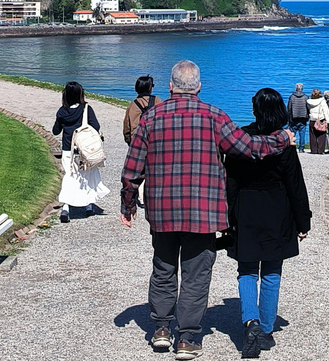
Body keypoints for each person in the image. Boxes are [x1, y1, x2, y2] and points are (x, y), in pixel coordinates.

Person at [120, 60, 295, 361]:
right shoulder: (214, 117)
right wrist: (282, 138)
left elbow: (132, 167)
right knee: (196, 274)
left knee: (163, 269)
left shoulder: (151, 119)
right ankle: (187, 338)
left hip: (162, 209)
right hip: (203, 210)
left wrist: (128, 202)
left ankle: (161, 329)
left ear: (171, 86)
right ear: (199, 87)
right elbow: (249, 147)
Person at [224, 88, 311, 358]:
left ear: (255, 110)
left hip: (246, 207)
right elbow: (295, 183)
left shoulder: (242, 138)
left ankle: (250, 322)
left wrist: (227, 216)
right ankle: (265, 326)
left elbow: (231, 181)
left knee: (247, 270)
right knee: (272, 272)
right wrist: (303, 220)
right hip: (277, 209)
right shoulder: (283, 141)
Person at [53, 81, 110, 223]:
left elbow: (55, 131)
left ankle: (66, 207)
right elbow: (95, 126)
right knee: (87, 175)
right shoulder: (86, 109)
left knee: (70, 176)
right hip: (84, 150)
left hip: (68, 150)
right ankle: (88, 205)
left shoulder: (62, 111)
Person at [122, 75, 163, 145]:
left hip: (138, 142)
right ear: (150, 88)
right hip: (157, 141)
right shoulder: (158, 101)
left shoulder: (132, 105)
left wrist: (129, 142)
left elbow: (127, 128)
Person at [306, 89, 329, 154]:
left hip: (312, 119)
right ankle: (320, 150)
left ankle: (313, 150)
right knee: (321, 135)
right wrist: (327, 121)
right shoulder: (322, 101)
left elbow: (308, 110)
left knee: (312, 136)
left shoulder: (308, 101)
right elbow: (325, 111)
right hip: (320, 119)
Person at [286, 84, 309, 153]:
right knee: (302, 134)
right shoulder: (305, 97)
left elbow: (289, 108)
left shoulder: (292, 97)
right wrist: (307, 116)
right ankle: (301, 148)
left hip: (294, 118)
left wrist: (289, 117)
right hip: (303, 118)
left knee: (293, 133)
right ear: (302, 89)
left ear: (296, 89)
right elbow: (308, 108)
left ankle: (292, 147)